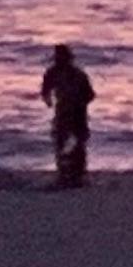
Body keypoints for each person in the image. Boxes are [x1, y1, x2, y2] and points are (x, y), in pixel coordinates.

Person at [39, 43, 93, 186]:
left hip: (77, 112)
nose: (59, 61)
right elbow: (45, 91)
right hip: (62, 112)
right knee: (61, 142)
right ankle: (64, 173)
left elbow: (89, 95)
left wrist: (78, 103)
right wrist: (49, 101)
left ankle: (78, 175)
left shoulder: (79, 75)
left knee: (78, 143)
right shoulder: (52, 73)